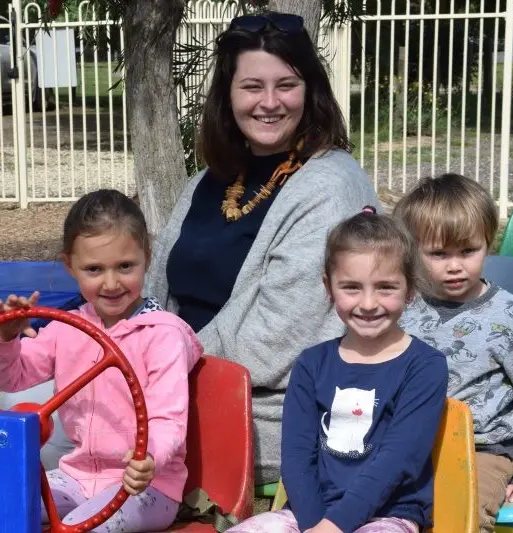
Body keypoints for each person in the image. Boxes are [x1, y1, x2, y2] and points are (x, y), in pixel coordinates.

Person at [144, 11, 379, 485]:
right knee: (37, 404)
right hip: (170, 384)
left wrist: (155, 371)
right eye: (252, 86)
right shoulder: (207, 182)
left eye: (286, 85)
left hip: (259, 408)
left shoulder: (330, 187)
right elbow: (155, 291)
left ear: (310, 91)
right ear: (228, 95)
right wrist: (130, 350)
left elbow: (274, 340)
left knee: (74, 435)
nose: (269, 103)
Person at [0, 189, 203, 533]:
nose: (111, 283)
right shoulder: (68, 329)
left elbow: (168, 418)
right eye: (94, 269)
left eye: (125, 266)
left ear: (147, 258)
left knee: (79, 527)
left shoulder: (161, 335)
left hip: (145, 486)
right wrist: (5, 337)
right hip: (78, 476)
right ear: (70, 266)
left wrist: (148, 456)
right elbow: (10, 379)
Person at [226, 207, 447, 533]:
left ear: (410, 289)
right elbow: (297, 460)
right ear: (328, 287)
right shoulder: (310, 364)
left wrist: (334, 526)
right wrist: (317, 524)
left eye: (386, 287)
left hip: (388, 516)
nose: (368, 303)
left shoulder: (425, 366)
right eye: (351, 287)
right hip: (308, 515)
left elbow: (398, 461)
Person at [394, 174, 513, 533]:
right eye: (438, 254)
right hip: (409, 446)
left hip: (484, 452)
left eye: (468, 251)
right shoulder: (401, 308)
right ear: (412, 251)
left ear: (488, 243)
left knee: (460, 516)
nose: (455, 265)